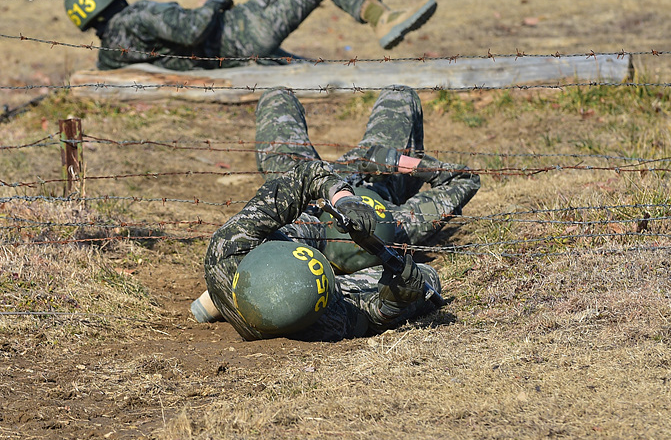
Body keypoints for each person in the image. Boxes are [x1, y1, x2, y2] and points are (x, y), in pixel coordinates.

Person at [201, 158, 444, 341]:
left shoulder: (228, 247)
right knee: (422, 278)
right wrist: (392, 304)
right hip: (316, 298)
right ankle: (217, 299)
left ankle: (216, 298)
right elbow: (365, 318)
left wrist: (344, 200)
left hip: (241, 278)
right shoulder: (323, 322)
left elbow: (304, 177)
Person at [254, 85, 481, 274]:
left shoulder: (307, 231)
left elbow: (256, 248)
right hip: (376, 175)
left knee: (277, 97)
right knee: (400, 94)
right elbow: (464, 179)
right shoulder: (398, 226)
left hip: (311, 191)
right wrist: (396, 161)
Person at [64, 0, 437, 71]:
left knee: (310, 68)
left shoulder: (109, 53)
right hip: (242, 32)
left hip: (230, 61)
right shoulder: (139, 14)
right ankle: (380, 17)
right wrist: (215, 1)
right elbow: (193, 29)